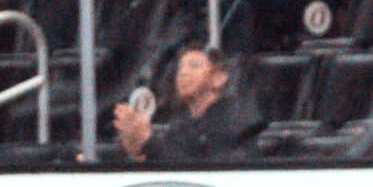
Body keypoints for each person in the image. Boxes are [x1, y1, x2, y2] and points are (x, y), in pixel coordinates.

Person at [111, 44, 261, 161]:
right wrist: (137, 147)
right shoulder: (180, 125)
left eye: (194, 65)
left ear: (219, 78)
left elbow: (200, 168)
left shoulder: (231, 120)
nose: (183, 72)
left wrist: (148, 141)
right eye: (180, 67)